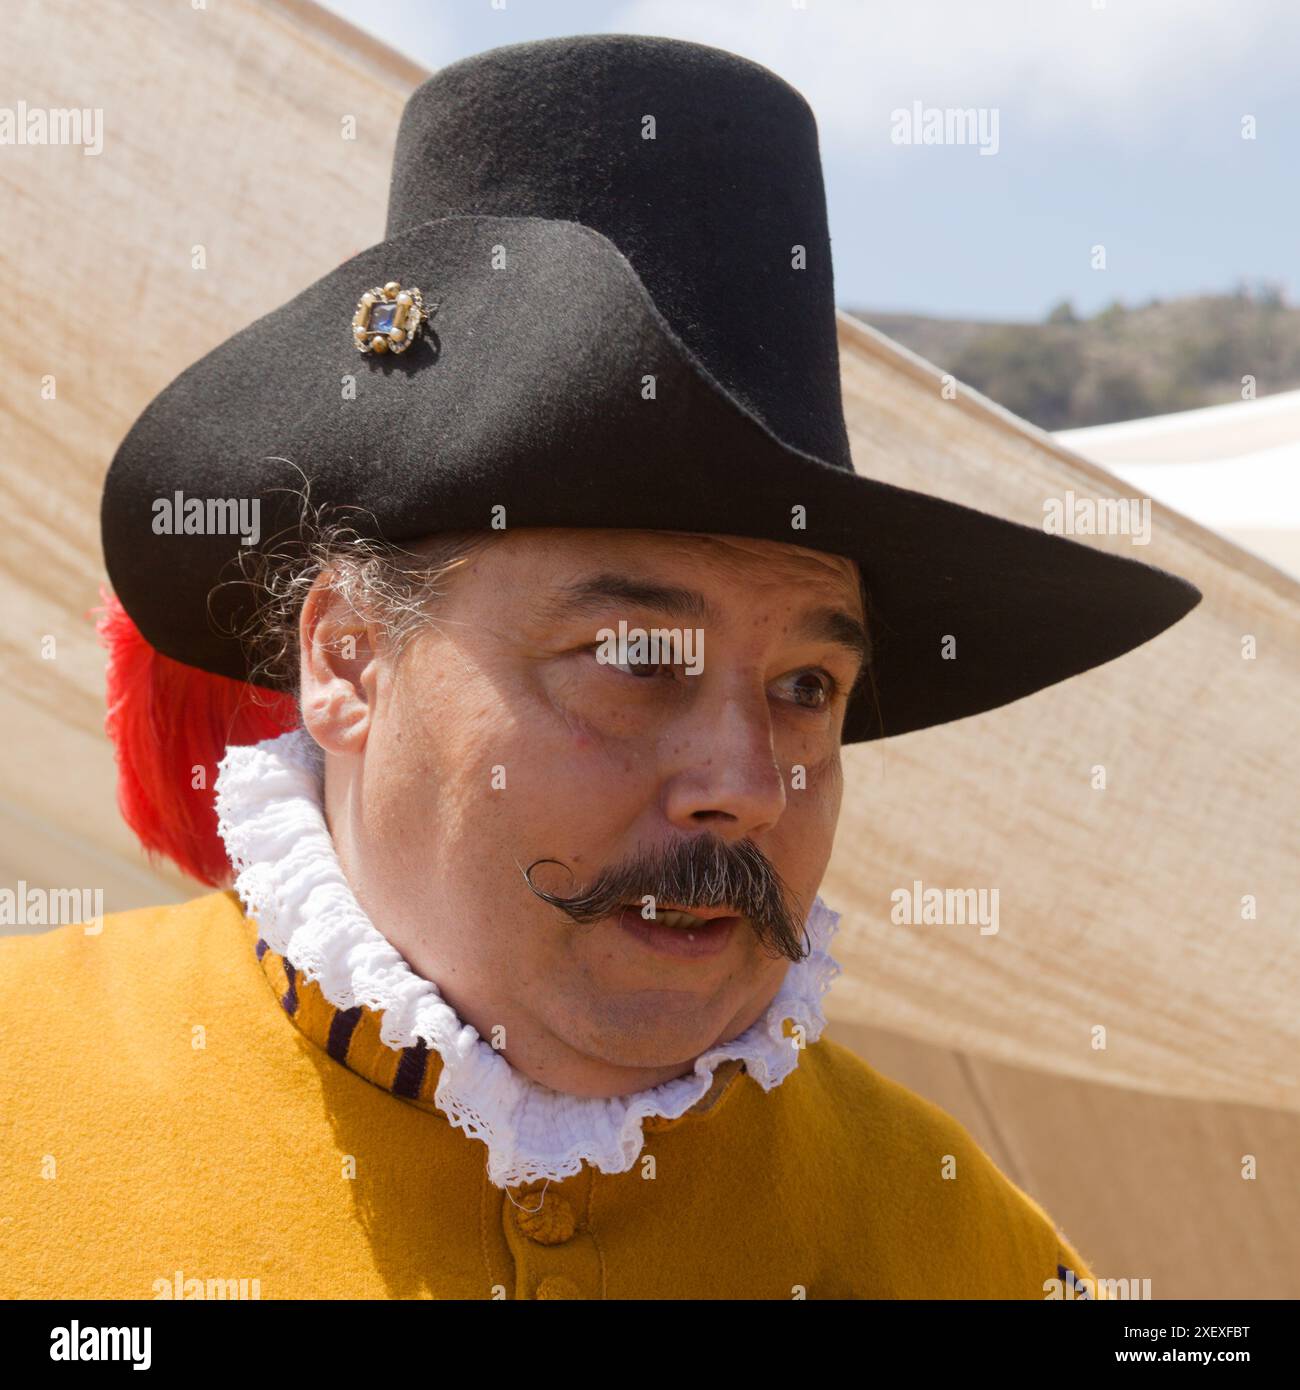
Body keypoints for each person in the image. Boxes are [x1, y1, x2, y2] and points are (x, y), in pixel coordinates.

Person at [0, 33, 1198, 1300]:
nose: (743, 784)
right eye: (634, 658)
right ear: (349, 658)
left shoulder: (968, 1251)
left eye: (806, 688)